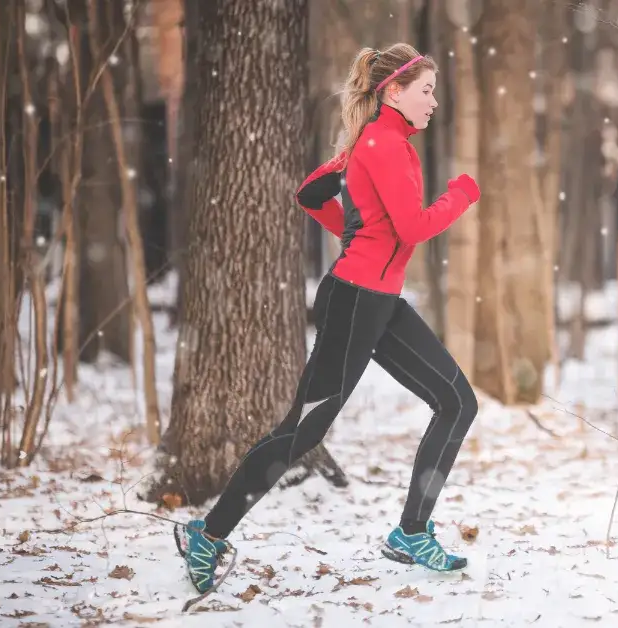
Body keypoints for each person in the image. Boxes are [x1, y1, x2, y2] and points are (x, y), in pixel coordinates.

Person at [178, 43, 482, 594]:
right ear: (394, 90)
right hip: (354, 303)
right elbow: (412, 228)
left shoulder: (378, 143)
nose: (435, 102)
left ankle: (411, 533)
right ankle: (208, 533)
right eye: (427, 91)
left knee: (457, 402)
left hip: (380, 301)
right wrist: (460, 195)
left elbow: (312, 192)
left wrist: (352, 228)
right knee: (303, 429)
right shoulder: (384, 144)